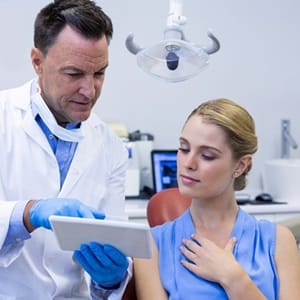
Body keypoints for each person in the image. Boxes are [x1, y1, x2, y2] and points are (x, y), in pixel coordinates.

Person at [0, 1, 132, 299]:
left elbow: (118, 241)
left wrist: (110, 279)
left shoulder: (110, 147)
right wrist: (28, 213)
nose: (90, 91)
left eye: (99, 73)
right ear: (37, 61)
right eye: (73, 74)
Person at [134, 98, 300, 299]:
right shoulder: (151, 245)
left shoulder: (279, 240)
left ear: (240, 166)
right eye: (184, 148)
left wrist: (234, 278)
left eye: (207, 156)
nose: (188, 163)